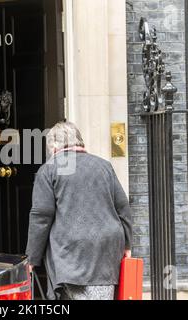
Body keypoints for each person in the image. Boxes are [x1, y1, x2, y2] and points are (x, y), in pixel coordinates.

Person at [25, 121, 133, 300]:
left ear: (53, 147)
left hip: (71, 253)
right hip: (107, 248)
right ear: (80, 142)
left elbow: (41, 217)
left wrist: (32, 258)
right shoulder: (104, 166)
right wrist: (127, 244)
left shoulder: (49, 170)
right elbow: (123, 207)